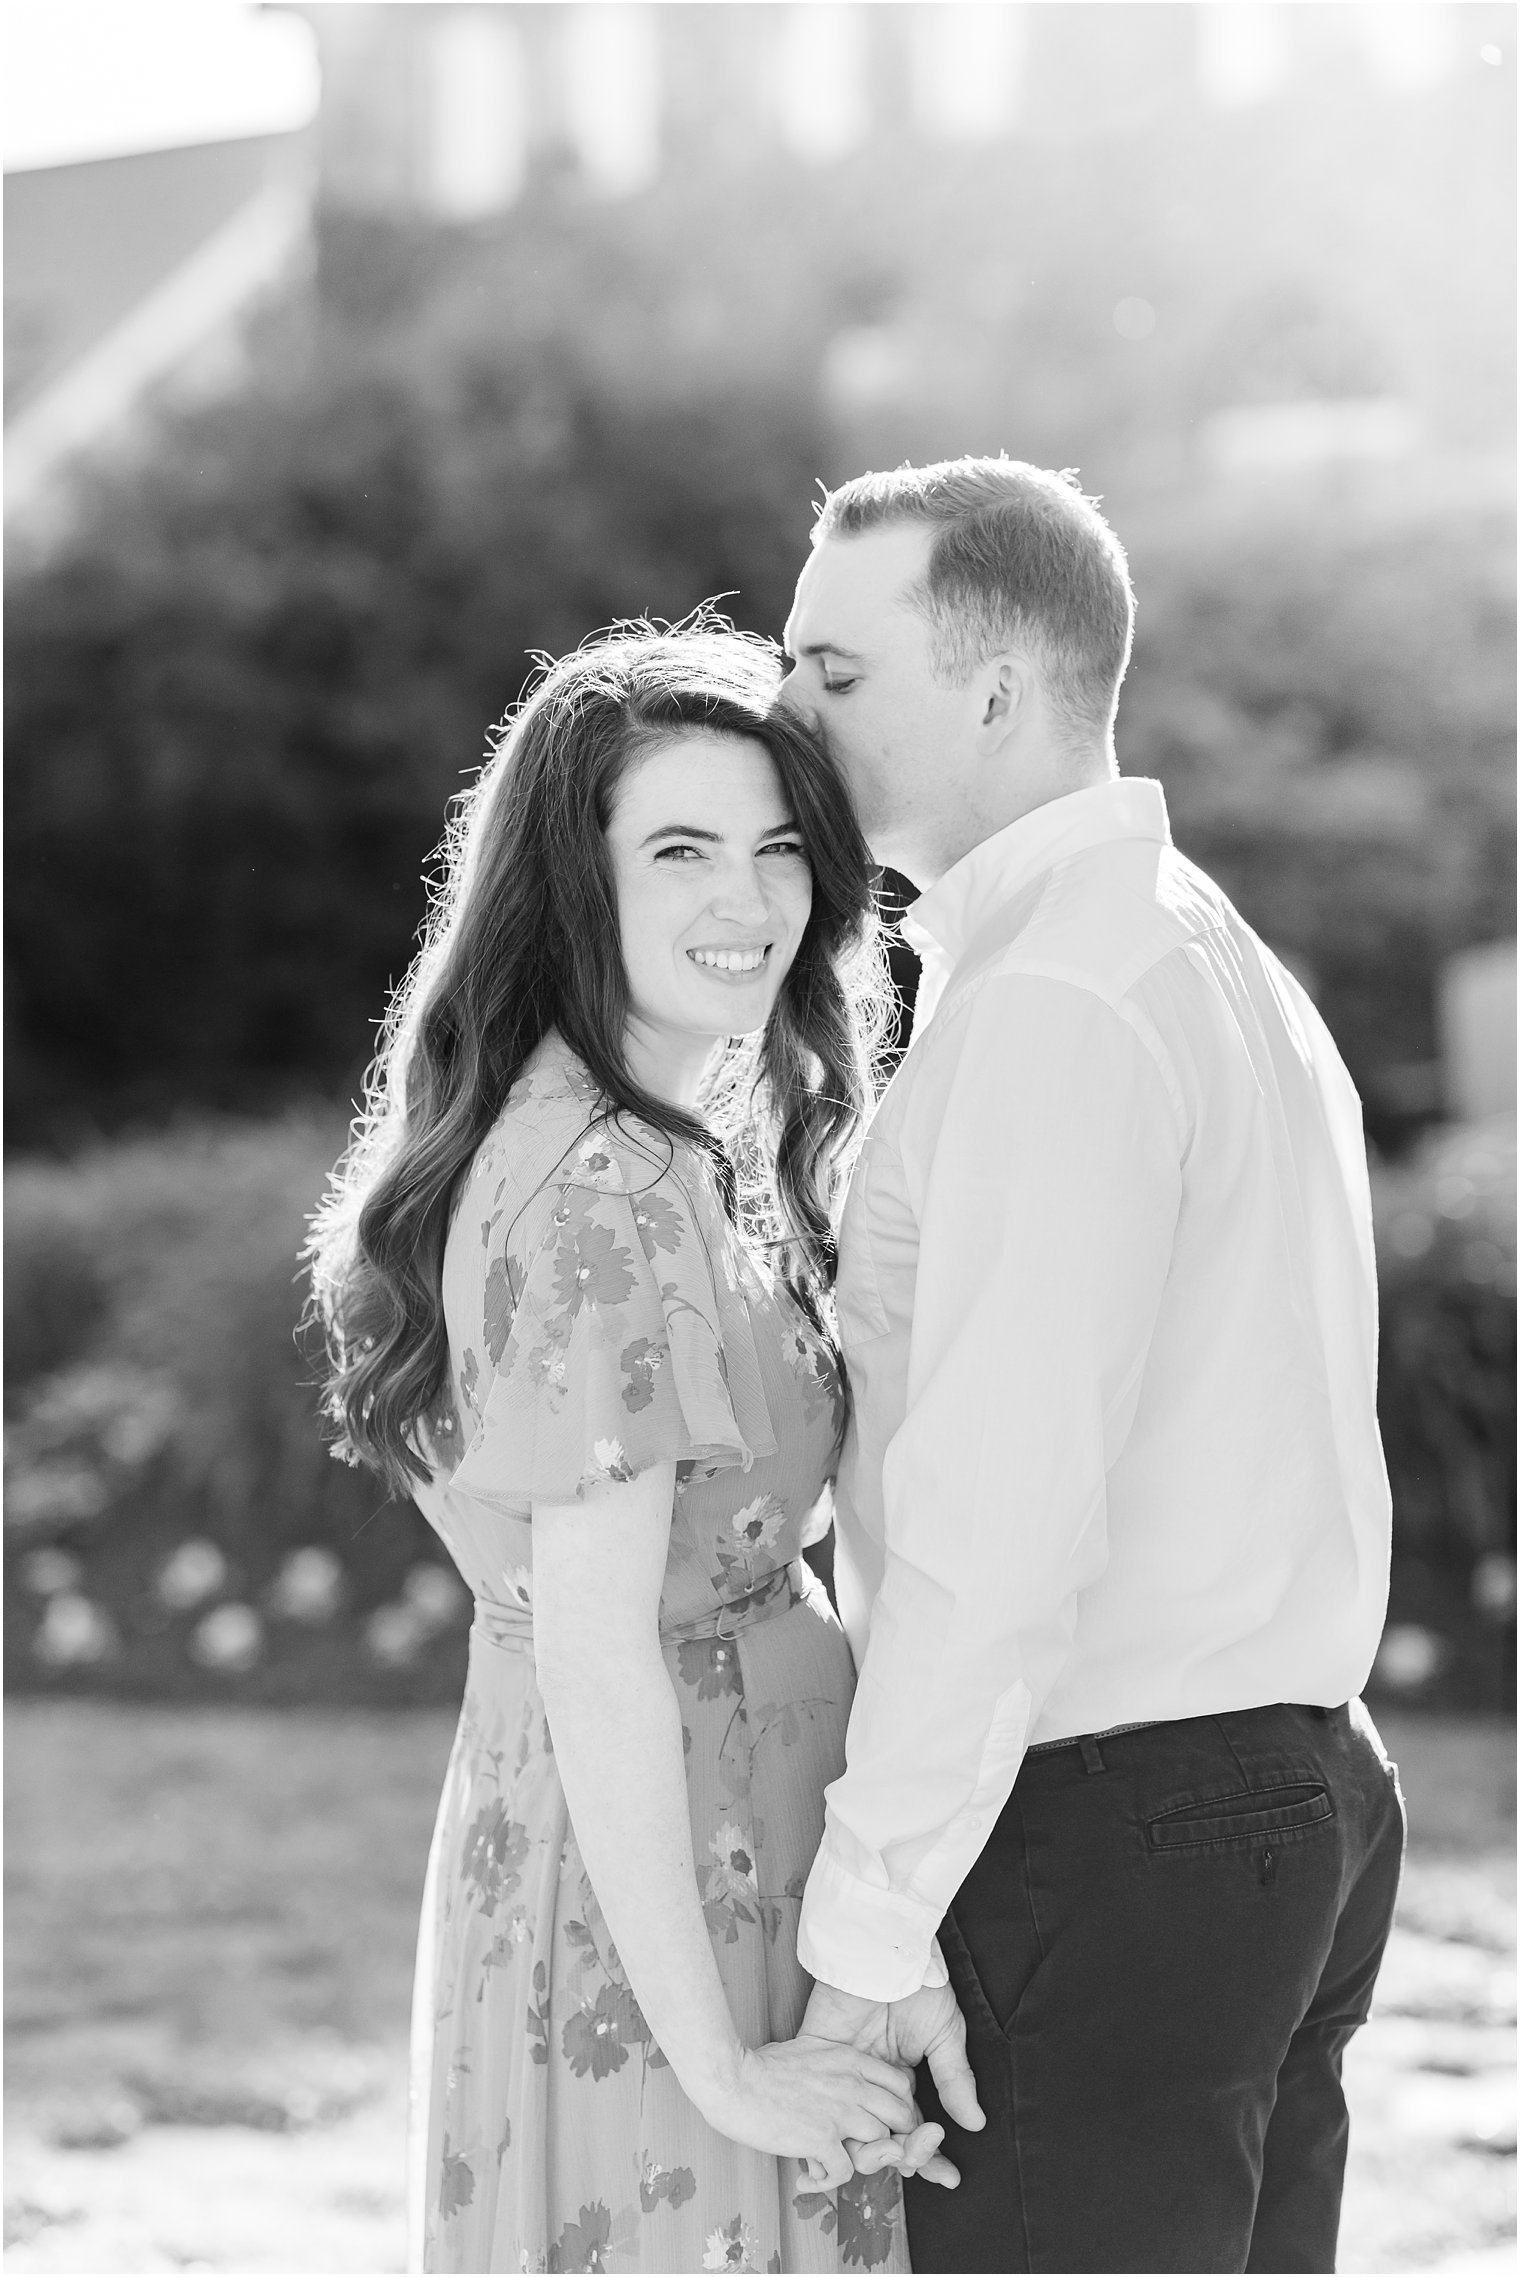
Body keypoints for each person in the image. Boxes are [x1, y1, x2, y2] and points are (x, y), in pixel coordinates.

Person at [777, 458, 1406, 2275]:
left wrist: (869, 1936)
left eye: (834, 666)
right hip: (1294, 1798)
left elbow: (1003, 1515)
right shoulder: (1203, 957)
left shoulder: (1059, 1001)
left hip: (1117, 1824)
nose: (787, 705)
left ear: (989, 690)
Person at [307, 622, 962, 2276]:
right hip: (676, 1884)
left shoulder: (662, 1140)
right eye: (679, 850)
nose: (746, 902)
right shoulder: (608, 1190)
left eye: (779, 848)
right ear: (572, 881)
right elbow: (599, 1648)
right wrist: (728, 2070)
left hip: (678, 1841)